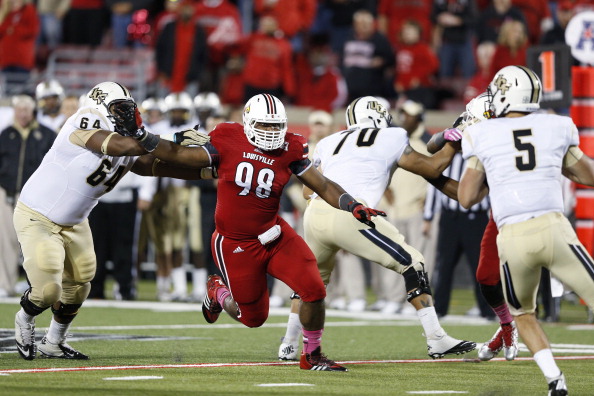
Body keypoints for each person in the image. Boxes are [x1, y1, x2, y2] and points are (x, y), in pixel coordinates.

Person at [136, 93, 390, 371]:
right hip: (236, 242)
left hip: (275, 234)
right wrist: (143, 136)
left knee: (314, 288)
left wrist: (352, 205)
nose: (271, 132)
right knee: (253, 318)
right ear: (248, 122)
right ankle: (217, 290)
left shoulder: (291, 146)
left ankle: (312, 355)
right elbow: (181, 155)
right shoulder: (227, 136)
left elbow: (322, 184)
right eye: (264, 125)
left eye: (276, 126)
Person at [13, 81, 213, 360]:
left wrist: (206, 171)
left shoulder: (127, 139)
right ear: (100, 105)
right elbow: (119, 146)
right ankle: (25, 317)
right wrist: (174, 139)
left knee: (80, 284)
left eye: (128, 109)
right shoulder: (85, 120)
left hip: (75, 221)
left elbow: (154, 166)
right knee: (48, 290)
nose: (126, 115)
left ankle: (54, 342)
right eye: (119, 109)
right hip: (38, 215)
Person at [278, 96, 479, 361]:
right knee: (413, 263)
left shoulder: (329, 141)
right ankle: (437, 339)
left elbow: (307, 190)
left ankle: (289, 344)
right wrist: (453, 140)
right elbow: (433, 167)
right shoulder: (392, 136)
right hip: (351, 212)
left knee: (310, 283)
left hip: (315, 214)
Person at [459, 65, 594, 395]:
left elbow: (466, 197)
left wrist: (495, 170)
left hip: (513, 237)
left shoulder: (484, 133)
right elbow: (588, 175)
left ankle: (555, 381)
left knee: (523, 314)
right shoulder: (557, 125)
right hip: (552, 228)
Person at [427, 92, 519, 360]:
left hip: (537, 212)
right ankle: (506, 326)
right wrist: (446, 135)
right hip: (500, 212)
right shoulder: (478, 123)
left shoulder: (513, 131)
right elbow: (434, 146)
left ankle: (507, 330)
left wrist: (428, 172)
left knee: (527, 285)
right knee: (487, 276)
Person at [0, 95, 55, 298]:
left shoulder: (46, 135)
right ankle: (5, 284)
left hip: (35, 197)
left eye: (26, 110)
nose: (22, 114)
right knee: (6, 241)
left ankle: (35, 285)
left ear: (32, 112)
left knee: (34, 242)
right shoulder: (5, 134)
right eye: (18, 110)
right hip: (6, 193)